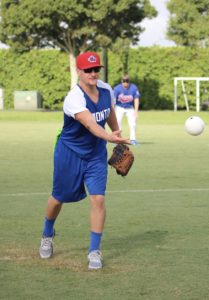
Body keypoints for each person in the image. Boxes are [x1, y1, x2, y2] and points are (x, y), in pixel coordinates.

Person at [39, 51, 130, 270]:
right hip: (69, 153)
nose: (92, 73)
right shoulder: (74, 98)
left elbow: (108, 112)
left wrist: (116, 130)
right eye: (87, 69)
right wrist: (109, 136)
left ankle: (94, 251)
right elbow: (90, 123)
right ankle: (47, 233)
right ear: (79, 71)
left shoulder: (106, 89)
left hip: (95, 154)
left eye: (95, 69)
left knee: (98, 199)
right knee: (58, 198)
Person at [113, 75, 140, 145]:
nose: (125, 82)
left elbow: (136, 99)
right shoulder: (117, 88)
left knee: (133, 124)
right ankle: (118, 139)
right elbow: (113, 99)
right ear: (121, 81)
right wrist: (112, 110)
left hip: (130, 108)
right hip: (119, 107)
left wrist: (136, 111)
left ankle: (133, 139)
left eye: (127, 81)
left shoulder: (133, 88)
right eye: (124, 81)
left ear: (129, 81)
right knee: (117, 123)